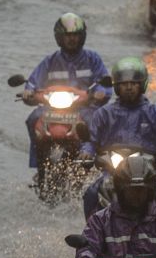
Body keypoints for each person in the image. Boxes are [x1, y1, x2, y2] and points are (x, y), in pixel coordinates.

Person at [80, 57, 156, 217]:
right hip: (112, 171)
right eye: (124, 84)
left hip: (150, 171)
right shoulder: (104, 114)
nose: (129, 88)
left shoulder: (155, 113)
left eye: (133, 84)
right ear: (116, 87)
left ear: (142, 85)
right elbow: (92, 141)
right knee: (91, 194)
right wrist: (86, 152)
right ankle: (93, 236)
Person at [22, 12, 111, 169]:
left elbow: (104, 81)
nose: (72, 39)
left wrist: (101, 92)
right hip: (53, 109)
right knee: (33, 119)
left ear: (82, 36)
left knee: (95, 122)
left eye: (76, 35)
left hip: (84, 108)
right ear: (59, 37)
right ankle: (38, 164)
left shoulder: (92, 59)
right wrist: (28, 91)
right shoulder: (50, 61)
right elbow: (33, 81)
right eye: (67, 35)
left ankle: (95, 161)